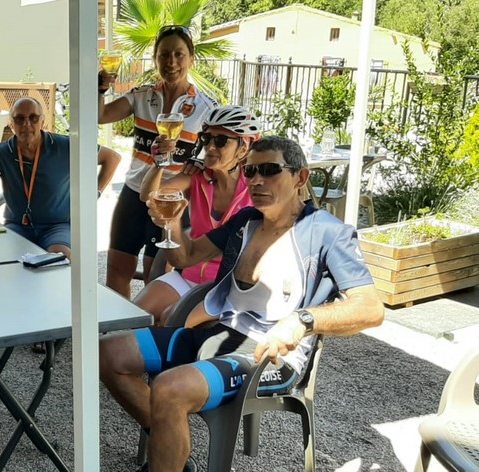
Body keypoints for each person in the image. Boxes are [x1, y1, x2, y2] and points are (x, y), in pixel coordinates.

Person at [98, 136, 385, 472]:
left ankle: (167, 458)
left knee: (169, 389)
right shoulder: (246, 220)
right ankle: (173, 453)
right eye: (250, 171)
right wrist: (171, 222)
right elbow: (186, 257)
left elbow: (370, 308)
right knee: (107, 353)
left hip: (269, 356)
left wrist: (302, 321)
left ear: (301, 177)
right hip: (219, 333)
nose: (256, 180)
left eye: (270, 170)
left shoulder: (328, 233)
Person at [98, 25, 218, 299]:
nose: (171, 62)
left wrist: (199, 163)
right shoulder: (143, 95)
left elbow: (217, 153)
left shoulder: (205, 107)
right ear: (155, 59)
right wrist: (100, 87)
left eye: (179, 54)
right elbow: (101, 115)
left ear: (191, 58)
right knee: (117, 269)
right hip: (134, 191)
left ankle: (149, 325)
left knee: (156, 275)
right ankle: (121, 323)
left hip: (171, 198)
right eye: (164, 55)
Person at [135, 105, 261, 326]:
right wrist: (159, 163)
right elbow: (149, 195)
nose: (210, 146)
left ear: (244, 148)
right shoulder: (197, 176)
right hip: (189, 275)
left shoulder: (257, 188)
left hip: (227, 286)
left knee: (170, 319)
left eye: (221, 141)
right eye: (206, 138)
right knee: (135, 315)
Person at [0, 97, 121, 260]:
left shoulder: (64, 146)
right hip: (18, 225)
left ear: (42, 121)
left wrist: (95, 192)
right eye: (19, 119)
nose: (26, 124)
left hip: (57, 226)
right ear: (11, 124)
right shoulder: (3, 151)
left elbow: (112, 158)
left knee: (59, 260)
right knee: (6, 260)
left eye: (33, 118)